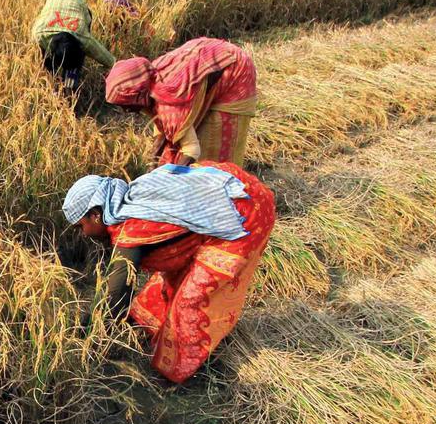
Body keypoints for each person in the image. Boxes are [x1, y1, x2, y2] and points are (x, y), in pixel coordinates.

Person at [63, 162, 276, 384]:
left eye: (81, 226)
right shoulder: (127, 201)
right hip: (222, 190)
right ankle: (151, 333)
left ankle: (180, 371)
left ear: (96, 215)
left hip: (244, 211)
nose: (84, 234)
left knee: (191, 302)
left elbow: (116, 294)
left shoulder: (132, 231)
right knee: (167, 284)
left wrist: (85, 336)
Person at [105, 37, 257, 166]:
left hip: (235, 69)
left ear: (137, 95)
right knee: (175, 145)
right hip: (212, 56)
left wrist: (171, 177)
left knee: (211, 158)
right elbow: (163, 126)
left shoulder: (168, 101)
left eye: (126, 105)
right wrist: (154, 157)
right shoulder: (147, 80)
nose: (126, 111)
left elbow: (191, 150)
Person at [31, 0, 117, 91]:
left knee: (73, 66)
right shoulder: (39, 34)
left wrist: (117, 66)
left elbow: (102, 54)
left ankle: (70, 83)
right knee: (48, 64)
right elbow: (42, 60)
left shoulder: (82, 36)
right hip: (53, 0)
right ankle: (56, 86)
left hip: (78, 2)